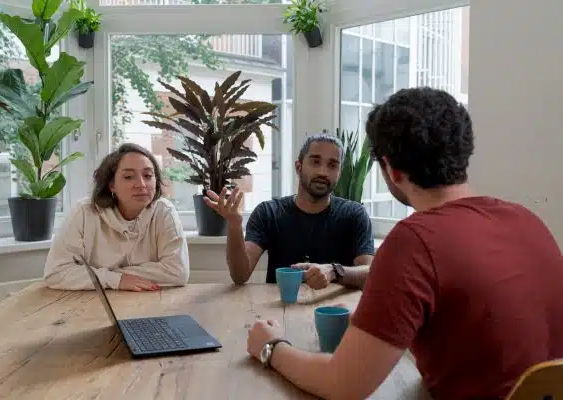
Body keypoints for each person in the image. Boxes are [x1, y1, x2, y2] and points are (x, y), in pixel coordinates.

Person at [244, 87, 563, 399]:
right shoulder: (527, 220)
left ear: (392, 171)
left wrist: (271, 347)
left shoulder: (414, 242)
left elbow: (341, 385)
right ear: (463, 152)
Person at [205, 134, 375, 290]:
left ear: (339, 172)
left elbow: (370, 274)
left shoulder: (354, 215)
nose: (323, 172)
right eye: (315, 162)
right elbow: (240, 276)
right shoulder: (268, 212)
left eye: (332, 165)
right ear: (298, 167)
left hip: (334, 313)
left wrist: (334, 271)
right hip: (279, 312)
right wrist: (234, 226)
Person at [44, 143, 190, 291]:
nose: (141, 184)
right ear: (111, 185)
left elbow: (177, 272)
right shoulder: (84, 212)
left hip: (150, 301)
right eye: (128, 177)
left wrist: (106, 275)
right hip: (91, 304)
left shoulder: (164, 211)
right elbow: (55, 273)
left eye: (148, 176)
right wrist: (115, 280)